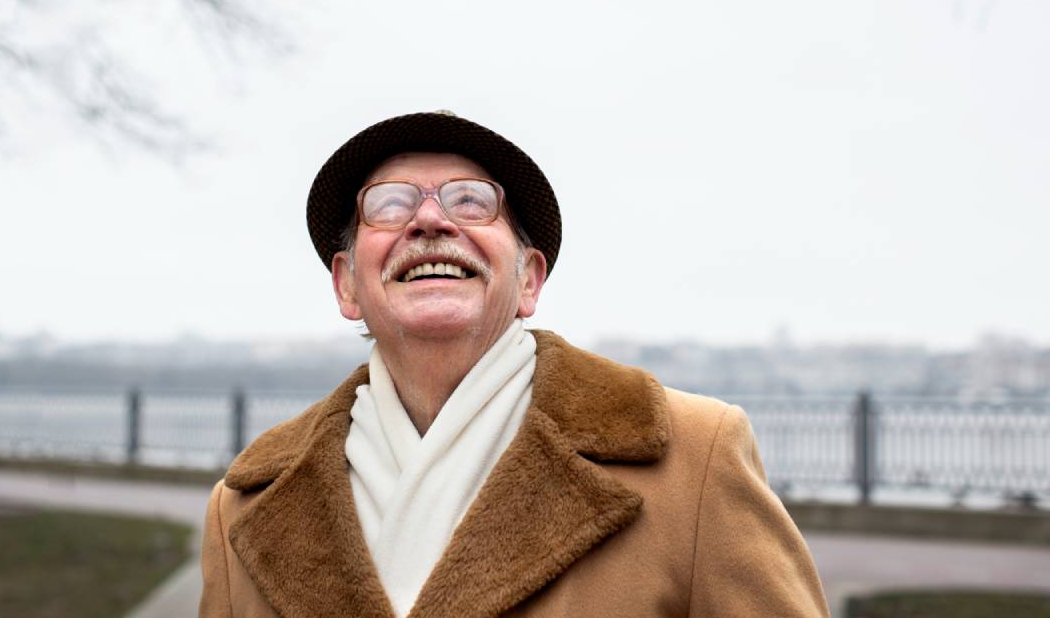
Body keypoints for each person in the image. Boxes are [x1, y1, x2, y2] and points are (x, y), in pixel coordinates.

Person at [200, 111, 829, 618]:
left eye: (472, 201)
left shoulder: (693, 458)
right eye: (388, 205)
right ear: (346, 286)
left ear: (529, 279)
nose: (428, 219)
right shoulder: (241, 509)